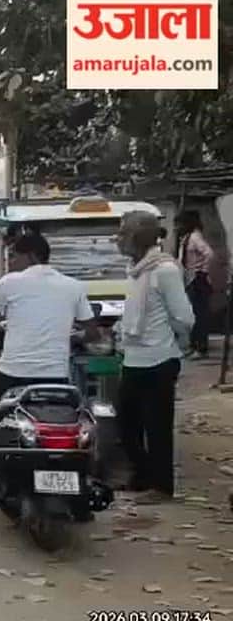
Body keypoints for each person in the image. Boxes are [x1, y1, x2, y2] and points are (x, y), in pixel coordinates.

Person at [0, 232, 99, 491]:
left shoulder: (11, 283)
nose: (10, 261)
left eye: (13, 255)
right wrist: (72, 336)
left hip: (13, 375)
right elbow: (92, 332)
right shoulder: (73, 286)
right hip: (56, 377)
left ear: (30, 255)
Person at [117, 211, 194, 502]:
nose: (118, 239)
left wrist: (168, 338)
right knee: (127, 424)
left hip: (158, 360)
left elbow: (184, 317)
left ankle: (161, 487)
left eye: (123, 233)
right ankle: (141, 477)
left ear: (139, 236)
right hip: (134, 359)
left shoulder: (164, 270)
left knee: (157, 427)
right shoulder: (136, 270)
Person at [176, 210, 214, 358]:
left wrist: (202, 270)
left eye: (180, 224)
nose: (177, 227)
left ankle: (201, 347)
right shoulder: (185, 238)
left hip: (197, 279)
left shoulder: (195, 237)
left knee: (199, 314)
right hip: (189, 279)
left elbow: (209, 254)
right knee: (191, 314)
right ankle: (193, 345)